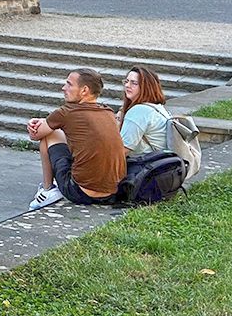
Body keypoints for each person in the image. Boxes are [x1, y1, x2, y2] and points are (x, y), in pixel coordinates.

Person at [28, 70, 127, 209]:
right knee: (62, 133)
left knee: (48, 135)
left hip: (80, 192)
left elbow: (36, 135)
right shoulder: (107, 112)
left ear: (84, 90)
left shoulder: (67, 112)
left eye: (69, 84)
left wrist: (34, 123)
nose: (63, 88)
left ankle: (47, 190)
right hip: (112, 193)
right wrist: (46, 122)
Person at [117, 66, 172, 154]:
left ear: (146, 87)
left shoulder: (139, 111)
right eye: (126, 81)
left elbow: (123, 149)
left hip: (146, 164)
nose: (127, 85)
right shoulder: (157, 108)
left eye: (134, 83)